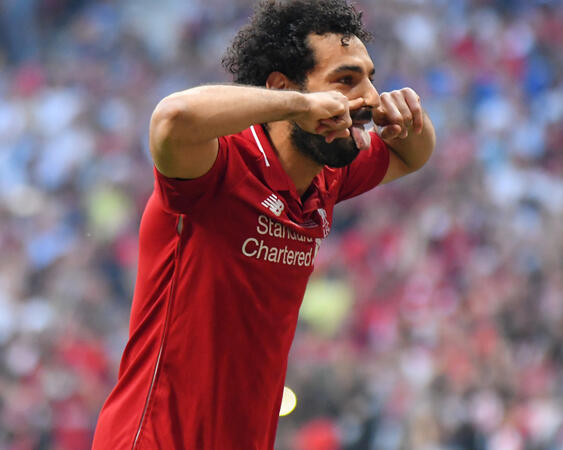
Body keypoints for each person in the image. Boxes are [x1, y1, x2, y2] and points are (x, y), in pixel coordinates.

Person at [91, 0, 435, 448]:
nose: (369, 96)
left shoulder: (327, 176)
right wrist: (297, 106)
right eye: (346, 80)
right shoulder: (217, 165)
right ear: (282, 89)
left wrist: (411, 115)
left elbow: (413, 154)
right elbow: (172, 117)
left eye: (370, 79)